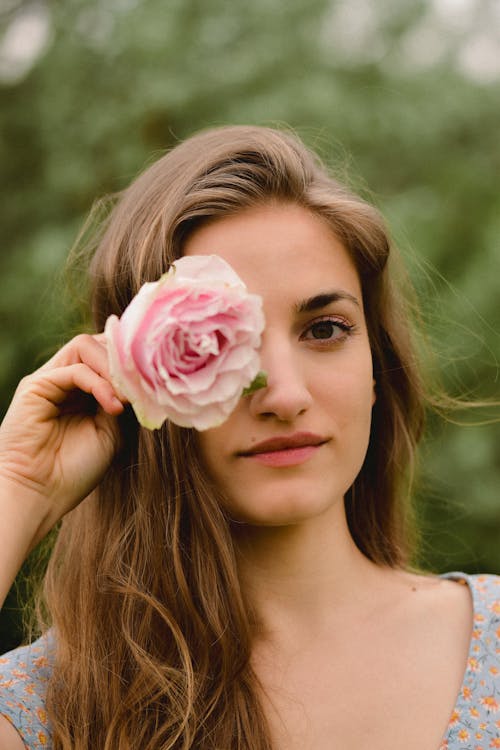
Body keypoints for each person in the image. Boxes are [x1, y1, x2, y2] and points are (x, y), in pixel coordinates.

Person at [0, 125, 498, 750]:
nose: (285, 396)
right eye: (225, 343)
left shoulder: (494, 642)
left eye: (324, 330)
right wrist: (18, 486)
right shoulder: (51, 705)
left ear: (378, 365)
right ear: (141, 383)